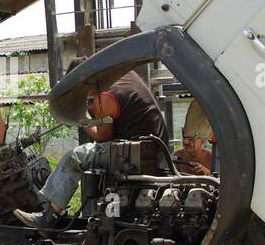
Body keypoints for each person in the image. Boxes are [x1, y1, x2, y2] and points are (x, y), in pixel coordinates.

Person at [14, 61, 167, 228]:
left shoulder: (105, 97)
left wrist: (82, 121)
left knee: (76, 157)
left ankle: (47, 219)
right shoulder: (123, 74)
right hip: (155, 148)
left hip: (137, 152)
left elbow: (103, 136)